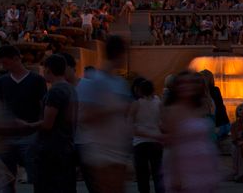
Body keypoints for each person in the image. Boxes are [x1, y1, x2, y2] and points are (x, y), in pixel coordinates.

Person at [77, 34, 132, 192]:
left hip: (118, 148)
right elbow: (85, 117)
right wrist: (114, 109)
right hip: (100, 150)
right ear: (121, 54)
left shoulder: (120, 83)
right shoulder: (93, 81)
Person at [0, 44, 48, 191]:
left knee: (37, 176)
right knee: (6, 178)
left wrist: (39, 127)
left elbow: (43, 107)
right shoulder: (2, 81)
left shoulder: (37, 80)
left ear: (17, 59)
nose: (3, 66)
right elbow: (0, 107)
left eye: (5, 62)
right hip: (8, 134)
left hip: (30, 133)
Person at [25, 54, 77, 193]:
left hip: (51, 152)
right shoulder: (70, 88)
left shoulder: (55, 92)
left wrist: (27, 125)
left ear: (48, 70)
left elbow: (48, 124)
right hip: (67, 148)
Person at [162, 71, 221, 193]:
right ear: (176, 87)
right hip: (185, 170)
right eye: (183, 83)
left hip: (205, 167)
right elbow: (172, 145)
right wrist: (176, 175)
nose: (187, 86)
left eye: (191, 82)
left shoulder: (201, 107)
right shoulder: (172, 111)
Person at [130, 78, 164, 193]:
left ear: (139, 91)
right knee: (158, 174)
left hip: (140, 143)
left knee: (142, 176)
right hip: (156, 141)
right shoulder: (158, 102)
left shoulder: (136, 104)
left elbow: (129, 124)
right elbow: (162, 121)